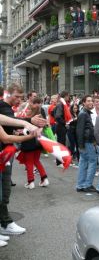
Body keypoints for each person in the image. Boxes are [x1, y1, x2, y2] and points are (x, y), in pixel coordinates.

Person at [0, 84, 45, 237]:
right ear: (7, 94)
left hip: (4, 154)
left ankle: (5, 222)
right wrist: (27, 122)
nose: (19, 100)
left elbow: (8, 132)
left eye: (21, 97)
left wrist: (26, 123)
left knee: (4, 192)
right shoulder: (3, 106)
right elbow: (7, 131)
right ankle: (5, 223)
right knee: (2, 192)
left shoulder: (7, 109)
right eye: (17, 96)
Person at [16, 97, 49, 189]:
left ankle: (31, 182)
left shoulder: (29, 119)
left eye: (28, 109)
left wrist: (18, 132)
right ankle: (44, 179)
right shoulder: (40, 117)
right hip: (38, 142)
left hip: (28, 142)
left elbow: (25, 131)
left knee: (29, 162)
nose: (26, 110)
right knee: (36, 161)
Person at [75, 95, 97, 192]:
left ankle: (81, 185)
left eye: (91, 101)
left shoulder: (84, 113)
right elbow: (79, 131)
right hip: (86, 142)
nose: (90, 102)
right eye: (88, 101)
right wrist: (80, 145)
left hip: (85, 142)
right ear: (83, 102)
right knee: (92, 162)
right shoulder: (83, 114)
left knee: (83, 163)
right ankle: (87, 185)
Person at [55, 90, 72, 166]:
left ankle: (61, 161)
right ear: (65, 96)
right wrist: (65, 122)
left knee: (62, 143)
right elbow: (58, 116)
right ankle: (59, 162)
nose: (69, 98)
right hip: (61, 127)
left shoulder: (62, 104)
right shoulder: (61, 104)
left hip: (61, 126)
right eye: (68, 96)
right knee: (61, 144)